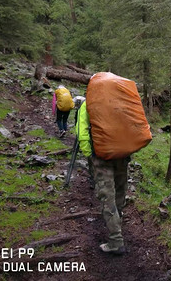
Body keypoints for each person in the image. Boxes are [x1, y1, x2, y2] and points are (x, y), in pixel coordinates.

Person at [74, 100, 128, 255]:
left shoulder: (89, 102)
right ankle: (118, 224)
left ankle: (116, 240)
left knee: (107, 195)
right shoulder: (120, 100)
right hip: (122, 154)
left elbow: (81, 130)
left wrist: (89, 154)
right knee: (120, 191)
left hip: (101, 156)